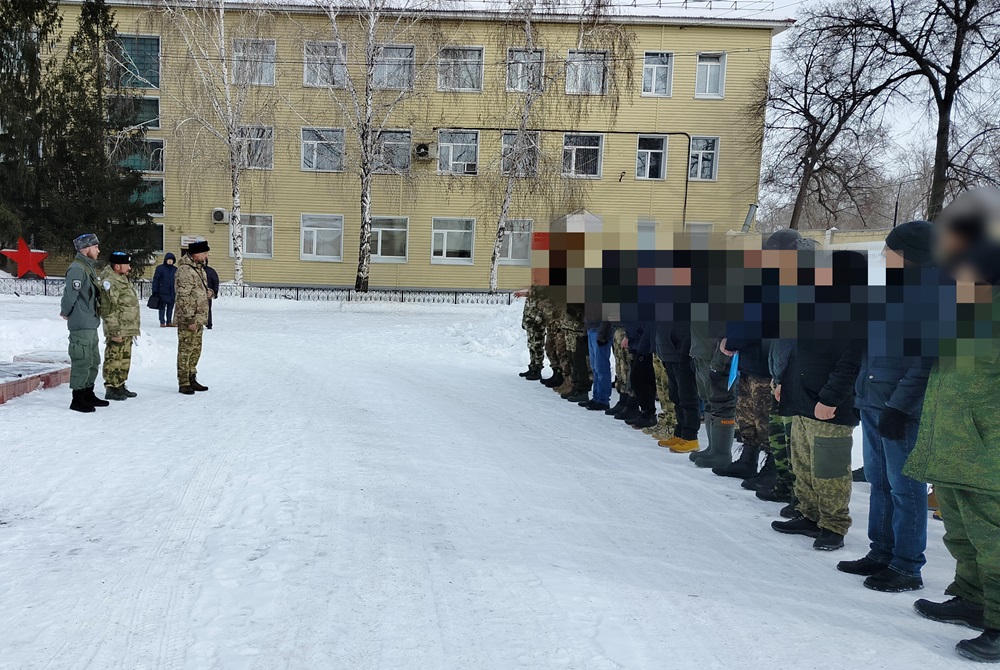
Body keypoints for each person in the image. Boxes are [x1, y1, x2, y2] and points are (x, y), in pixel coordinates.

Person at [906, 195, 1000, 663]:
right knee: (961, 533)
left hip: (987, 452)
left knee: (994, 540)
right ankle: (970, 598)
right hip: (952, 445)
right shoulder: (965, 311)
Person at [836, 221, 934, 593]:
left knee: (906, 489)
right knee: (879, 483)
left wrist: (900, 406)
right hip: (873, 400)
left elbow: (925, 362)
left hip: (899, 409)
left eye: (890, 251)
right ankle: (881, 552)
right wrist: (859, 393)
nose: (884, 256)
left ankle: (907, 566)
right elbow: (867, 350)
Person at [771, 250, 866, 551]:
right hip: (801, 399)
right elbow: (797, 351)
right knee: (803, 463)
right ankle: (809, 515)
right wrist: (783, 383)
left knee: (830, 470)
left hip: (829, 406)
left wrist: (830, 398)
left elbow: (850, 364)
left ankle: (833, 525)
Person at [60, 233, 110, 413]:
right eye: (95, 247)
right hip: (81, 322)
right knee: (82, 360)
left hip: (90, 322)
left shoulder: (87, 267)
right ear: (86, 248)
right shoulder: (77, 268)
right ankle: (78, 398)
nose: (98, 250)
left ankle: (88, 393)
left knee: (93, 360)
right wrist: (66, 312)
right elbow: (70, 295)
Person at [99, 251, 141, 401]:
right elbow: (108, 308)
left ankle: (120, 384)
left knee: (124, 358)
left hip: (127, 326)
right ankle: (111, 387)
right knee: (114, 357)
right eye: (127, 264)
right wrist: (114, 330)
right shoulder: (110, 281)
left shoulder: (121, 278)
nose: (129, 267)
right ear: (117, 266)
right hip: (118, 327)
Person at [175, 241, 211, 395]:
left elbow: (197, 290)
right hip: (188, 319)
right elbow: (183, 297)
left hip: (199, 317)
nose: (206, 256)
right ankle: (184, 382)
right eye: (204, 253)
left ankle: (192, 377)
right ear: (196, 254)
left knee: (195, 350)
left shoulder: (199, 269)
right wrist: (190, 319)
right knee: (186, 350)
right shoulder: (185, 270)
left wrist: (209, 292)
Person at [519, 285, 546, 380]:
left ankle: (538, 369)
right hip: (530, 325)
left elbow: (542, 311)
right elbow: (527, 310)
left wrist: (537, 322)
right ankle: (532, 367)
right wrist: (524, 322)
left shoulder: (541, 295)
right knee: (531, 346)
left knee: (537, 347)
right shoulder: (531, 296)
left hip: (537, 326)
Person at [151, 252, 177, 327]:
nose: (170, 261)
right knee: (162, 307)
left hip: (172, 292)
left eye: (171, 260)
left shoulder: (175, 269)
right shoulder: (160, 268)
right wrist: (155, 290)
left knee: (170, 308)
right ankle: (162, 321)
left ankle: (169, 321)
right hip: (162, 292)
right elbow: (156, 280)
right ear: (165, 260)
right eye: (169, 260)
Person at [205, 261, 220, 330]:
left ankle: (209, 324)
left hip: (207, 293)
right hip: (196, 294)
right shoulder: (194, 270)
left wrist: (215, 292)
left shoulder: (210, 271)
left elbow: (215, 281)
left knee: (207, 309)